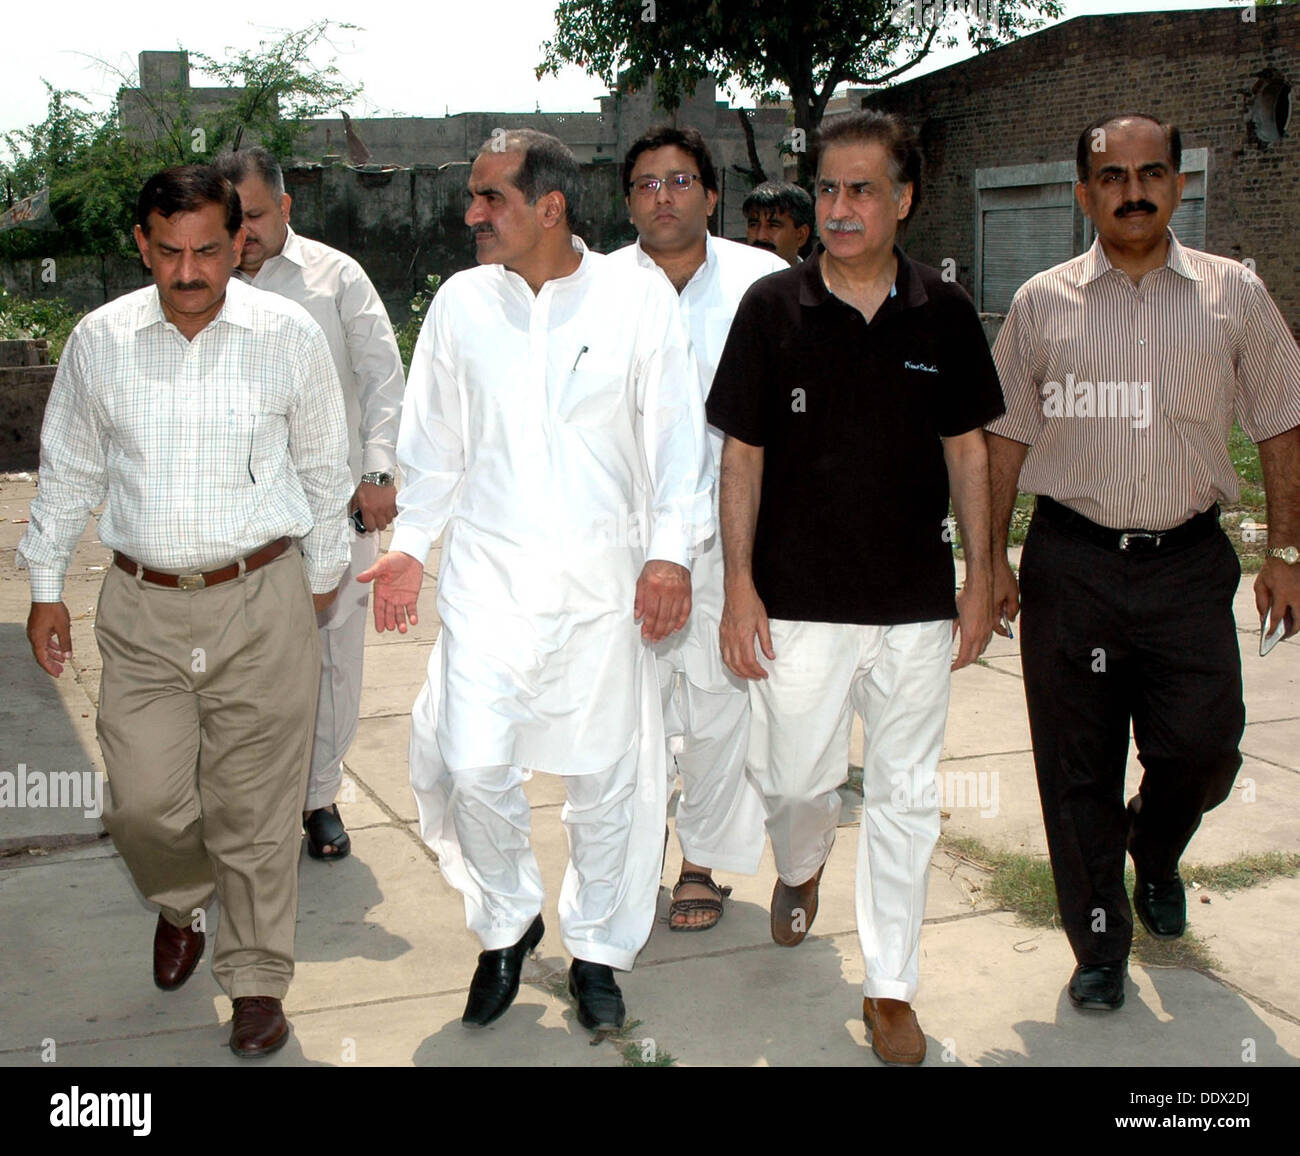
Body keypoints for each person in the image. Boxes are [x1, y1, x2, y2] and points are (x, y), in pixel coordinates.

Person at [359, 129, 712, 1033]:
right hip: (489, 584)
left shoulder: (635, 301)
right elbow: (432, 447)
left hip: (606, 587)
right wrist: (411, 545)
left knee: (606, 779)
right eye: (473, 198)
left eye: (490, 198)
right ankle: (508, 921)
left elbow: (676, 444)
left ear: (549, 207)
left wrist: (671, 553)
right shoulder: (460, 305)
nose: (471, 214)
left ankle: (596, 946)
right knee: (472, 761)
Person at [18, 165, 352, 1057]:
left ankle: (254, 980)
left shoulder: (287, 335)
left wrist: (320, 580)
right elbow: (71, 470)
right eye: (169, 251)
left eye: (208, 248)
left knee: (256, 811)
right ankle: (179, 897)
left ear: (239, 241)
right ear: (142, 246)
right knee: (143, 806)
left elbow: (327, 469)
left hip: (262, 599)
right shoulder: (100, 340)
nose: (189, 270)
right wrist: (45, 586)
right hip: (143, 607)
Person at [707, 110, 1004, 1065]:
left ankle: (891, 989)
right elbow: (740, 457)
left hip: (915, 600)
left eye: (862, 189)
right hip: (796, 602)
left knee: (907, 795)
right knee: (794, 779)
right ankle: (802, 865)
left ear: (903, 201)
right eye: (828, 189)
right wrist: (738, 586)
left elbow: (970, 449)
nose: (839, 207)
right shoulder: (771, 310)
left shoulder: (945, 312)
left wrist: (982, 570)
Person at [986, 112, 1300, 1012]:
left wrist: (1285, 551)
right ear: (1085, 194)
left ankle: (1154, 850)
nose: (1133, 190)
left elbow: (1281, 418)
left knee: (1203, 748)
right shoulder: (1041, 303)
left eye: (1151, 172)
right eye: (1112, 176)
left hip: (1188, 566)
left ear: (1177, 184)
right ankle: (1097, 944)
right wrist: (994, 558)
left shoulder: (1235, 294)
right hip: (1070, 566)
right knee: (1074, 763)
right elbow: (1004, 436)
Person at [608, 126, 785, 931]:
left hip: (733, 534)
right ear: (627, 201)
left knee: (721, 704)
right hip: (622, 539)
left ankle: (701, 864)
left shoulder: (764, 282)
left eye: (680, 181)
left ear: (713, 196)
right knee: (626, 705)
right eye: (645, 184)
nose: (662, 196)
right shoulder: (595, 287)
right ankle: (627, 854)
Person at [214, 147, 405, 863]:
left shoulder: (335, 279)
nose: (246, 233)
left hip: (333, 507)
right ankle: (250, 798)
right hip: (238, 511)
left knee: (332, 655)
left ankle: (318, 796)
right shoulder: (204, 284)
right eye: (235, 219)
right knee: (241, 660)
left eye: (258, 215)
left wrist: (380, 471)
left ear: (286, 208)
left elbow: (383, 378)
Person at [743, 181, 814, 265]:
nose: (761, 236)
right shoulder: (731, 276)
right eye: (753, 225)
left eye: (773, 225)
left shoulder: (816, 277)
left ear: (800, 236)